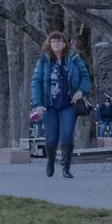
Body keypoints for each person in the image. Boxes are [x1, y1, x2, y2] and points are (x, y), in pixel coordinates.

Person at [30, 30, 90, 179]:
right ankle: (50, 161)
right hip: (49, 106)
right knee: (51, 139)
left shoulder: (74, 59)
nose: (56, 43)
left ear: (64, 44)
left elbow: (85, 75)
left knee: (67, 137)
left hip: (68, 105)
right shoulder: (43, 61)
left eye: (59, 40)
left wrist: (81, 91)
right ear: (49, 44)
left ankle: (66, 168)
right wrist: (37, 104)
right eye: (53, 41)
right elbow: (36, 82)